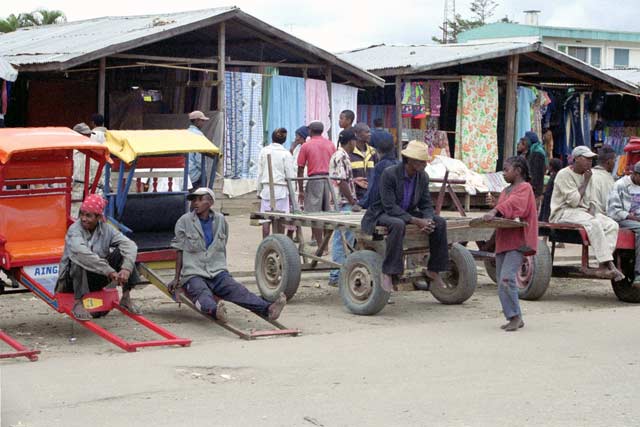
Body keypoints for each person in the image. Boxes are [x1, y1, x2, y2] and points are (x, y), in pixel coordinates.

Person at [168, 188, 286, 323]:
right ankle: (215, 311)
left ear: (210, 202)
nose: (195, 203)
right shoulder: (184, 221)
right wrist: (177, 278)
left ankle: (268, 309)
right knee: (201, 293)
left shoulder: (221, 220)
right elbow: (179, 250)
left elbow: (222, 246)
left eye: (200, 199)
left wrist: (223, 271)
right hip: (194, 273)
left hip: (217, 271)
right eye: (194, 200)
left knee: (237, 290)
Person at [361, 140, 448, 292]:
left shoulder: (423, 177)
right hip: (382, 212)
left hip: (406, 211)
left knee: (440, 222)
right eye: (421, 161)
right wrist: (416, 221)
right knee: (397, 224)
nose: (425, 164)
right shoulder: (390, 174)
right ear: (410, 160)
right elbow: (389, 206)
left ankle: (434, 269)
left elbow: (426, 203)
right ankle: (389, 272)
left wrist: (427, 219)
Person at [56, 194, 140, 321]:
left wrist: (126, 269)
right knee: (78, 259)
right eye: (82, 214)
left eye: (88, 216)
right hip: (72, 281)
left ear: (99, 217)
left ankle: (126, 296)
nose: (83, 218)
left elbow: (130, 245)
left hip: (96, 276)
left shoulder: (107, 229)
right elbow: (82, 254)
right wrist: (108, 270)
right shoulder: (75, 230)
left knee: (125, 253)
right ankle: (78, 303)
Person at [550, 146, 623, 280]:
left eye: (591, 160)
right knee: (593, 223)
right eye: (586, 159)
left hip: (581, 212)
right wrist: (586, 182)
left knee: (612, 225)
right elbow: (573, 202)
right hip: (563, 212)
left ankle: (603, 264)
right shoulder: (564, 174)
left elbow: (592, 200)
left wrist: (593, 210)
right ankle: (610, 264)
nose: (590, 162)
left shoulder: (588, 175)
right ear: (576, 159)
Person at [482, 156, 539, 332]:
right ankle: (513, 316)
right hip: (503, 240)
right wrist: (495, 207)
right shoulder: (506, 190)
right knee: (502, 281)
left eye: (506, 170)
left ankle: (515, 317)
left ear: (518, 170)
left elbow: (515, 205)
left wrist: (495, 210)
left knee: (506, 279)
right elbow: (504, 208)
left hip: (519, 241)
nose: (504, 173)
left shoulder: (525, 188)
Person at [328, 130, 362, 286]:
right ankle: (336, 275)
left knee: (346, 238)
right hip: (342, 202)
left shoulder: (342, 155)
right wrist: (352, 201)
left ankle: (340, 273)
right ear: (351, 142)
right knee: (342, 239)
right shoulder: (341, 156)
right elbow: (341, 182)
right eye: (354, 141)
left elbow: (344, 179)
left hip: (342, 201)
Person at [297, 121, 336, 247]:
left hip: (314, 180)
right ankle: (325, 245)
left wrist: (300, 189)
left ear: (310, 131)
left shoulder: (306, 145)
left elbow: (300, 168)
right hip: (329, 180)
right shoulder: (330, 144)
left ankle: (321, 245)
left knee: (315, 215)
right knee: (327, 214)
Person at [256, 128, 296, 239]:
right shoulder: (286, 154)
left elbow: (259, 173)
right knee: (281, 220)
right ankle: (280, 242)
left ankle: (266, 243)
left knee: (266, 220)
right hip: (281, 190)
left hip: (267, 190)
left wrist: (258, 190)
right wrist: (292, 193)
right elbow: (290, 175)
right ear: (284, 140)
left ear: (272, 138)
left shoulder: (264, 151)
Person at [608, 162, 640, 286]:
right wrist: (633, 217)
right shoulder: (620, 185)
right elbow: (614, 211)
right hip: (622, 220)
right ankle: (638, 273)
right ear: (635, 174)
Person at [359, 135, 399, 209]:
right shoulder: (399, 164)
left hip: (384, 206)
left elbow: (373, 188)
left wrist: (362, 204)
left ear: (378, 152)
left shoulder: (380, 166)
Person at [350, 122, 378, 201]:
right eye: (367, 132)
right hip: (354, 196)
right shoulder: (349, 153)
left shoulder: (373, 152)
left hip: (370, 196)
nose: (370, 134)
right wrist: (353, 181)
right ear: (357, 134)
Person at [585, 145, 616, 215]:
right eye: (614, 160)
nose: (615, 163)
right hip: (600, 217)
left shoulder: (587, 174)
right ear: (609, 162)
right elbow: (609, 205)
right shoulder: (608, 179)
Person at [517, 131, 546, 204]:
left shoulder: (537, 153)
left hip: (534, 190)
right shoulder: (531, 152)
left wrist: (532, 188)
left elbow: (535, 174)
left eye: (524, 142)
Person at [186, 110, 211, 188]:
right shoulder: (198, 135)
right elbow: (199, 158)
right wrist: (204, 170)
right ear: (197, 121)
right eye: (202, 120)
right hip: (195, 173)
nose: (203, 123)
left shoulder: (186, 133)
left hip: (187, 172)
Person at [539, 158, 563, 223]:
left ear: (552, 167)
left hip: (550, 199)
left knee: (547, 215)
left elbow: (550, 189)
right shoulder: (555, 175)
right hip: (549, 198)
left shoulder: (555, 176)